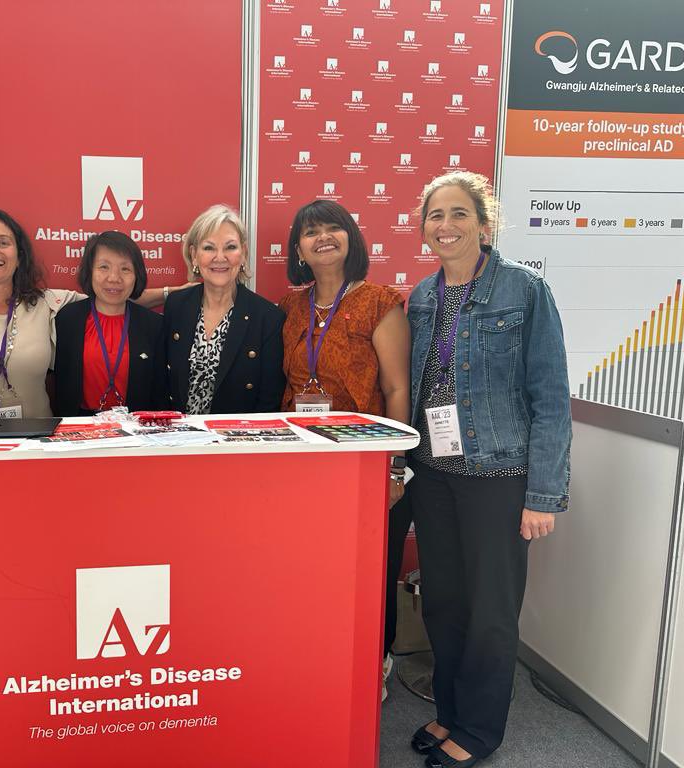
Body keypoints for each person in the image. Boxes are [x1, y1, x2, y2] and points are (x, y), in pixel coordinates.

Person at [407, 172, 571, 768]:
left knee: (490, 609)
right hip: (434, 473)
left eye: (458, 214)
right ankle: (450, 709)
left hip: (499, 477)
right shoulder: (422, 296)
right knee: (445, 601)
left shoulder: (525, 292)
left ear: (484, 221)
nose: (445, 226)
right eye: (434, 216)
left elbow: (551, 397)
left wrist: (545, 494)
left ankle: (478, 731)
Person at [278, 200, 411, 701]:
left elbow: (397, 389)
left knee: (371, 570)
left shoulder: (381, 301)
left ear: (352, 238)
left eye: (334, 228)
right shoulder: (291, 305)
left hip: (363, 464)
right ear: (298, 249)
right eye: (311, 232)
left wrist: (395, 469)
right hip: (301, 463)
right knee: (313, 565)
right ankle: (318, 653)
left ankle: (376, 658)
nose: (323, 238)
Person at [0, 208, 179, 418]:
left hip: (38, 440)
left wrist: (179, 293)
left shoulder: (47, 304)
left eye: (3, 242)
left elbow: (112, 298)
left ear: (19, 255)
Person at [163, 205, 285, 414]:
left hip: (237, 440)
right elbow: (161, 383)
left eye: (230, 247)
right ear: (194, 255)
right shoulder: (176, 305)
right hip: (178, 439)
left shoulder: (268, 318)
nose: (220, 257)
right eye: (209, 248)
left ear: (243, 253)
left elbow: (269, 400)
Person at [53, 231, 166, 415]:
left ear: (137, 275)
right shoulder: (67, 319)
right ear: (89, 271)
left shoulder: (153, 325)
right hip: (80, 429)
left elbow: (159, 391)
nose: (114, 278)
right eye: (104, 267)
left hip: (136, 431)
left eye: (125, 269)